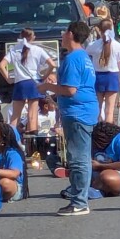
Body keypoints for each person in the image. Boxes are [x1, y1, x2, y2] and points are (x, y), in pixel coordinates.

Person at [38, 21, 98, 216]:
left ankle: (80, 201)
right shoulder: (83, 56)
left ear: (71, 34)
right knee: (78, 156)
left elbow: (70, 90)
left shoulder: (72, 58)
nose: (62, 35)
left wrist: (48, 87)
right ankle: (77, 195)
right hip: (83, 111)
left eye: (65, 32)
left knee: (79, 158)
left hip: (78, 113)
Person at [0, 28, 56, 134]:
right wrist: (44, 76)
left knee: (15, 116)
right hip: (34, 83)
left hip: (20, 83)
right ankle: (32, 143)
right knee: (32, 115)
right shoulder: (38, 50)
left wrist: (8, 79)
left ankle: (11, 140)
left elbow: (1, 66)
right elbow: (52, 64)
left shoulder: (14, 49)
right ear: (32, 37)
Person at [86, 19, 120, 124]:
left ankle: (97, 132)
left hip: (97, 77)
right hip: (112, 78)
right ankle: (108, 135)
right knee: (109, 111)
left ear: (99, 30)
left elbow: (86, 54)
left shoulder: (93, 45)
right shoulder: (118, 46)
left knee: (97, 110)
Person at [0, 122, 27, 203]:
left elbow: (14, 174)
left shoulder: (12, 153)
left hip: (14, 186)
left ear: (2, 140)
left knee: (5, 183)